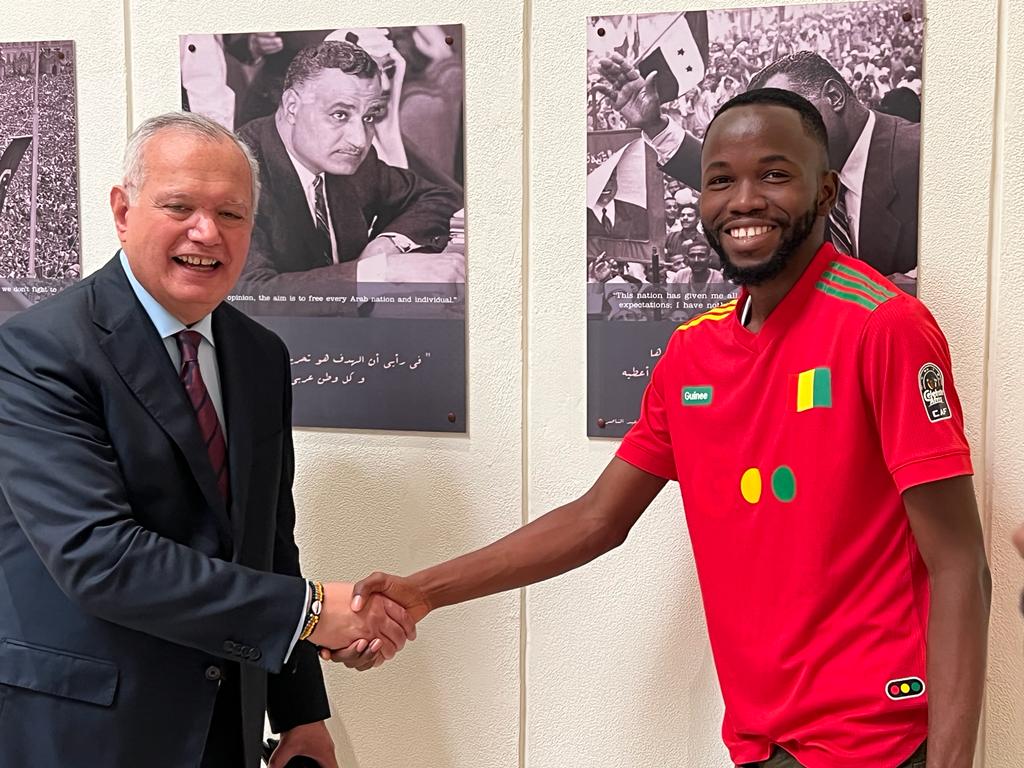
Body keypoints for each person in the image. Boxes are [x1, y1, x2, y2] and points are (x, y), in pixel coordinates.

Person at [336, 90, 991, 768]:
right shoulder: (692, 353)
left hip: (879, 743)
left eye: (774, 174)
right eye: (720, 180)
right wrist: (424, 592)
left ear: (825, 192)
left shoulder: (884, 326)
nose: (744, 200)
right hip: (762, 742)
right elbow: (596, 518)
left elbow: (960, 566)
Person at [0, 112, 416, 768]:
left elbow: (268, 543)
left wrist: (300, 714)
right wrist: (311, 613)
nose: (206, 232)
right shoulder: (36, 351)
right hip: (83, 731)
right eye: (179, 207)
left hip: (226, 729)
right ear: (123, 211)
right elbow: (97, 556)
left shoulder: (260, 356)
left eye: (231, 213)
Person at [593, 50, 921, 278]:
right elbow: (729, 179)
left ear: (834, 97)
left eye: (787, 117)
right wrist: (655, 126)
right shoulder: (805, 164)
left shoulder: (923, 158)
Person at [236, 40, 462, 293]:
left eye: (369, 117)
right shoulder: (233, 173)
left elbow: (437, 197)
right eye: (340, 114)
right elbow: (249, 294)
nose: (359, 140)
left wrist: (386, 246)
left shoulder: (348, 159)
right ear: (292, 106)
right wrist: (380, 273)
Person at [586, 169, 649, 240]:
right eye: (597, 180)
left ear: (615, 178)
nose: (605, 186)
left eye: (609, 178)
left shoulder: (640, 215)